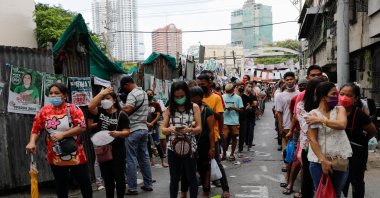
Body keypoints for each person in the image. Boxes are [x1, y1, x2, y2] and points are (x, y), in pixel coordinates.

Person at [25, 83, 92, 198]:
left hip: (76, 154)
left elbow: (82, 126)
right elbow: (36, 129)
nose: (53, 95)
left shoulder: (73, 109)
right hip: (55, 154)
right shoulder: (44, 111)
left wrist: (63, 134)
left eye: (57, 93)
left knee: (84, 183)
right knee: (61, 185)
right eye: (51, 93)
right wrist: (32, 142)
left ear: (64, 96)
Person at [306, 82, 352, 197]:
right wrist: (323, 161)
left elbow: (342, 124)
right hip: (318, 162)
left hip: (339, 159)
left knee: (335, 193)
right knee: (321, 192)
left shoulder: (339, 109)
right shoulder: (313, 114)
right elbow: (312, 139)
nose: (336, 97)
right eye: (333, 94)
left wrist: (321, 121)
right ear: (323, 96)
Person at [161, 81, 202, 198]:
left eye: (182, 96)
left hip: (190, 148)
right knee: (174, 179)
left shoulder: (194, 107)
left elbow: (199, 128)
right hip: (173, 149)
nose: (179, 98)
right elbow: (163, 130)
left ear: (187, 94)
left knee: (192, 178)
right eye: (176, 96)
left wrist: (189, 130)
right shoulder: (169, 109)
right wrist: (171, 129)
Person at [88, 87, 130, 198]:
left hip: (117, 150)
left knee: (119, 177)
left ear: (114, 100)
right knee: (107, 178)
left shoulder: (121, 115)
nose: (104, 100)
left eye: (107, 98)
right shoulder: (100, 111)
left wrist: (118, 133)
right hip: (103, 150)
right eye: (103, 99)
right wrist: (101, 94)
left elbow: (127, 132)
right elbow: (91, 106)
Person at [288, 65, 323, 198]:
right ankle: (293, 185)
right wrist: (290, 130)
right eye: (313, 75)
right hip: (308, 146)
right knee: (307, 175)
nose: (316, 77)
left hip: (328, 148)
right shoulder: (302, 102)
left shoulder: (332, 104)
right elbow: (298, 118)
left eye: (318, 75)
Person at [339, 83, 377, 198]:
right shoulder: (334, 111)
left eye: (349, 95)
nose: (344, 97)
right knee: (341, 180)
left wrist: (363, 141)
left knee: (356, 180)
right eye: (342, 94)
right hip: (340, 152)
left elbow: (372, 131)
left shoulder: (359, 114)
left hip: (357, 152)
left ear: (355, 98)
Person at [197, 73, 231, 198]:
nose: (201, 86)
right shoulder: (195, 98)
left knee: (216, 162)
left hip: (213, 135)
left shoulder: (216, 97)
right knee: (201, 164)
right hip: (198, 137)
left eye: (203, 83)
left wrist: (207, 109)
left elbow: (220, 116)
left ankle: (225, 189)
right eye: (199, 84)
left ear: (209, 83)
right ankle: (205, 188)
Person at [119, 76, 153, 195]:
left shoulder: (132, 94)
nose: (124, 90)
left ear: (127, 84)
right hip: (144, 129)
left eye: (124, 87)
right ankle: (148, 184)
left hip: (133, 130)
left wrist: (118, 107)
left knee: (131, 159)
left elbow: (127, 109)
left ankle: (132, 188)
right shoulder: (143, 93)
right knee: (144, 158)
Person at [181, 86, 216, 198]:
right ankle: (184, 193)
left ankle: (205, 192)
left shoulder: (207, 110)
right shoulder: (184, 109)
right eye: (192, 98)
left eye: (197, 98)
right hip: (188, 143)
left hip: (203, 144)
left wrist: (212, 147)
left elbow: (211, 131)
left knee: (204, 169)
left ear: (201, 97)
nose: (195, 101)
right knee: (186, 170)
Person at [146, 89, 168, 167]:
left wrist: (151, 123)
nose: (149, 95)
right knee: (147, 143)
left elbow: (158, 115)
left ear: (153, 95)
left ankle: (163, 160)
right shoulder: (143, 104)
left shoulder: (156, 104)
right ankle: (151, 161)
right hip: (145, 127)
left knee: (157, 142)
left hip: (154, 126)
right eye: (147, 94)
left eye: (150, 94)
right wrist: (146, 123)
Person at [222, 83, 243, 161]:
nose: (228, 92)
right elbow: (220, 108)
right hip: (225, 121)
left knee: (234, 138)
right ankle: (224, 153)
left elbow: (241, 110)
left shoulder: (238, 98)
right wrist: (225, 108)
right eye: (227, 91)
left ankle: (232, 154)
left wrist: (234, 108)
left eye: (229, 91)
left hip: (234, 121)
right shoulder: (222, 97)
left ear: (233, 90)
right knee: (224, 138)